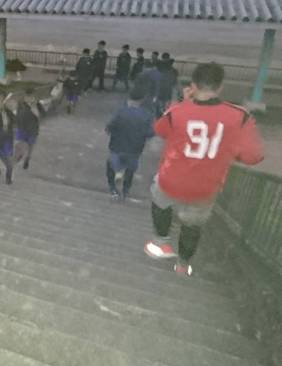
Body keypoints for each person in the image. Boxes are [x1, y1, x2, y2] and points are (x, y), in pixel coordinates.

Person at [144, 63, 264, 276]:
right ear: (220, 86)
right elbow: (253, 156)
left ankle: (161, 242)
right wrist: (228, 150)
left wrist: (183, 102)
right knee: (192, 226)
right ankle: (183, 264)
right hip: (205, 187)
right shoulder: (239, 116)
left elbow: (160, 129)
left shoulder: (178, 111)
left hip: (171, 180)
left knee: (158, 195)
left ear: (193, 85)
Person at [105, 86, 154, 201]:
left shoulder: (121, 112)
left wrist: (111, 130)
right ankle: (125, 190)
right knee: (130, 169)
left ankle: (113, 188)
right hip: (135, 149)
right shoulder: (147, 115)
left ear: (129, 98)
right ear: (142, 100)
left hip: (117, 146)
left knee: (111, 165)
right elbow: (150, 133)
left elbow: (109, 127)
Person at [14, 100, 40, 170]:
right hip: (27, 129)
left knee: (26, 145)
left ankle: (24, 157)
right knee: (24, 145)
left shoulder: (35, 105)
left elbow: (40, 116)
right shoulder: (21, 104)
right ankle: (24, 156)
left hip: (28, 130)